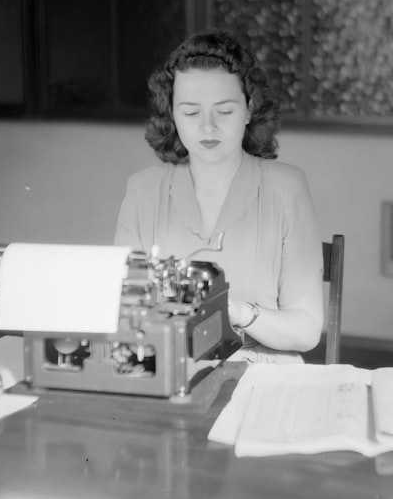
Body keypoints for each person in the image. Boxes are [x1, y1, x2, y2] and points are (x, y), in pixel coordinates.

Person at [114, 29, 323, 363]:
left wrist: (238, 313)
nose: (207, 127)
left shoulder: (287, 188)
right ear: (171, 111)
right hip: (169, 365)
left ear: (249, 108)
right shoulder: (143, 191)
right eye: (191, 112)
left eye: (224, 111)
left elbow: (307, 329)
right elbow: (122, 309)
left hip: (262, 370)